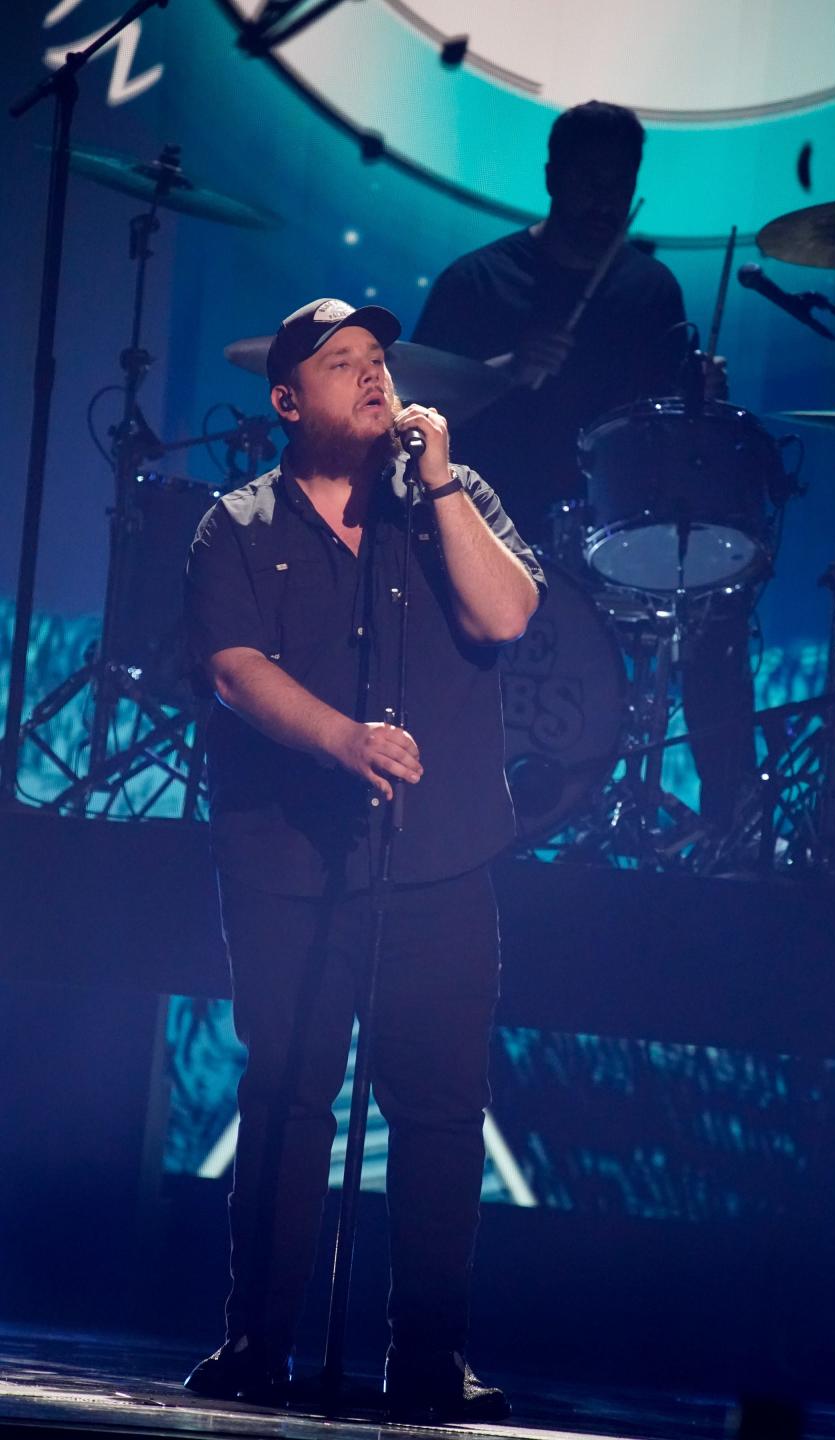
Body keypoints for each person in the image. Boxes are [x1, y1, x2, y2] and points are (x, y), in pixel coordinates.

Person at [181, 296, 544, 1419]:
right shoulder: (233, 525)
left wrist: (440, 480)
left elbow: (508, 617)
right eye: (342, 364)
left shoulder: (451, 497)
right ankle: (259, 1340)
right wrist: (341, 741)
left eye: (378, 359)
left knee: (439, 1111)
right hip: (290, 861)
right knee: (290, 1096)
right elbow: (235, 670)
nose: (372, 375)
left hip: (438, 864)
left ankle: (428, 1354)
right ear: (289, 400)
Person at [413, 100, 756, 828]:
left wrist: (698, 395)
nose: (606, 199)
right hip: (484, 530)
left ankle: (732, 828)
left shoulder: (648, 291)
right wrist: (506, 368)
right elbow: (409, 420)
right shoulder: (477, 284)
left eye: (621, 181)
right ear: (551, 177)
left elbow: (664, 432)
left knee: (716, 607)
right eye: (590, 179)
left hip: (606, 539)